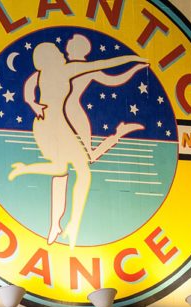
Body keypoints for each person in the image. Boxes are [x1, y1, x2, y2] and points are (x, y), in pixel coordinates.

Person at [11, 41, 147, 247]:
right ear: (50, 56)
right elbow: (104, 63)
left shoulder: (39, 75)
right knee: (72, 170)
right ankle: (65, 218)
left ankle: (59, 224)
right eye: (57, 51)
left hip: (49, 123)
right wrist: (133, 60)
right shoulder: (66, 70)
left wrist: (34, 105)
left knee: (67, 172)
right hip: (54, 126)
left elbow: (29, 89)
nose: (62, 52)